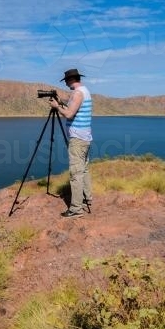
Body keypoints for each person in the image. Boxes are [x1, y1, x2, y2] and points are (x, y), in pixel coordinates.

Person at [49, 68, 92, 218]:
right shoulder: (84, 91)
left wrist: (57, 107)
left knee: (76, 173)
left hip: (78, 140)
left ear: (70, 80)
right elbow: (73, 107)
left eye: (66, 81)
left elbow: (69, 114)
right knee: (84, 169)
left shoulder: (78, 93)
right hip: (85, 137)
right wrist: (61, 102)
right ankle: (87, 198)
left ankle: (76, 209)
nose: (66, 83)